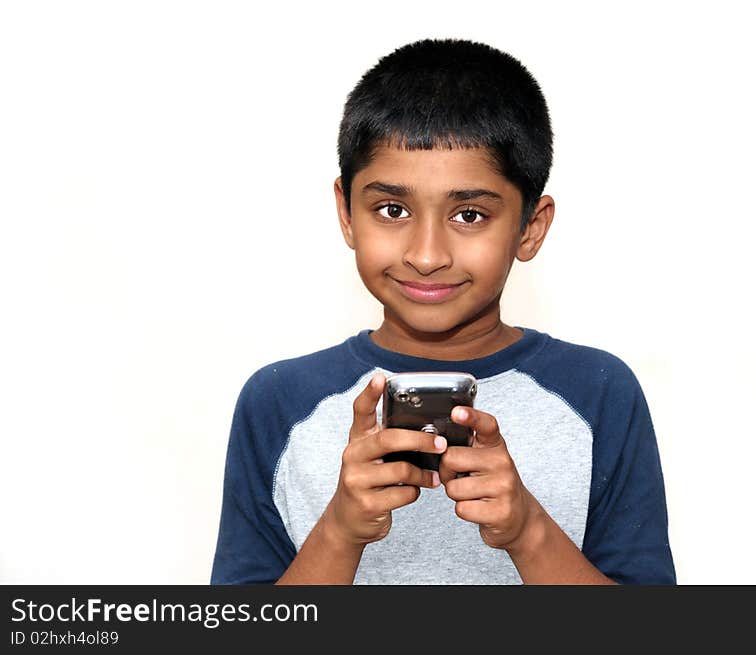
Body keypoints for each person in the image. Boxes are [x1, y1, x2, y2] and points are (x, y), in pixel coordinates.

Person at [210, 38, 675, 585]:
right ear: (346, 212)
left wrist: (528, 529)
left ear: (531, 226)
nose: (426, 255)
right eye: (392, 209)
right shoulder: (278, 402)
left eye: (471, 215)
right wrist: (339, 530)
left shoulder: (600, 391)